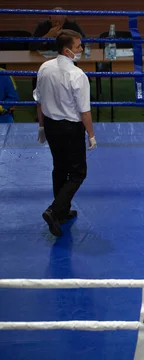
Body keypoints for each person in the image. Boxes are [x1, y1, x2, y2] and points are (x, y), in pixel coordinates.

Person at [34, 30, 97, 237]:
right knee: (78, 173)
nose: (81, 50)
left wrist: (41, 126)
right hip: (71, 128)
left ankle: (61, 212)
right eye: (78, 46)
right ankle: (54, 210)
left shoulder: (44, 67)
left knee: (59, 168)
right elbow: (84, 111)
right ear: (66, 49)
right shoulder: (77, 75)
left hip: (51, 126)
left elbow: (39, 101)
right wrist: (91, 135)